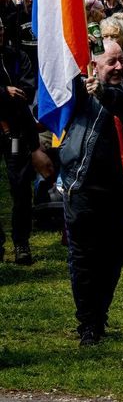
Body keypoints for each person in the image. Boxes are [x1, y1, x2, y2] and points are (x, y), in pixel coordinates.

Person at [60, 39, 123, 346]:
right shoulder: (76, 91)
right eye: (110, 62)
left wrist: (105, 92)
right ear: (93, 65)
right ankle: (88, 322)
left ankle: (99, 313)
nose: (118, 67)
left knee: (113, 257)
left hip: (118, 193)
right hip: (81, 189)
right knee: (83, 258)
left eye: (121, 60)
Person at [0, 20, 43, 264]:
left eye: (0, 29)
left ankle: (21, 243)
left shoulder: (17, 57)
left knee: (20, 185)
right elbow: (13, 93)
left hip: (15, 134)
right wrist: (5, 91)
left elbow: (26, 88)